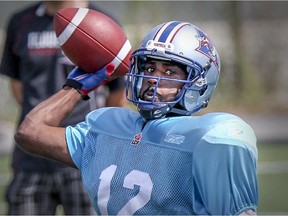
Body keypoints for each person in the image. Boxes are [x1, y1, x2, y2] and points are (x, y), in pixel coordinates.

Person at [14, 21, 258, 215]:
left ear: (199, 83)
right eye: (149, 68)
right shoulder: (106, 126)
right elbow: (30, 132)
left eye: (170, 71)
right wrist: (76, 87)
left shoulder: (212, 137)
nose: (153, 78)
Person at [0, 1, 126, 215]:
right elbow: (18, 86)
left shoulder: (102, 23)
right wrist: (44, 125)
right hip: (30, 157)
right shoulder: (21, 21)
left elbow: (116, 95)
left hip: (82, 157)